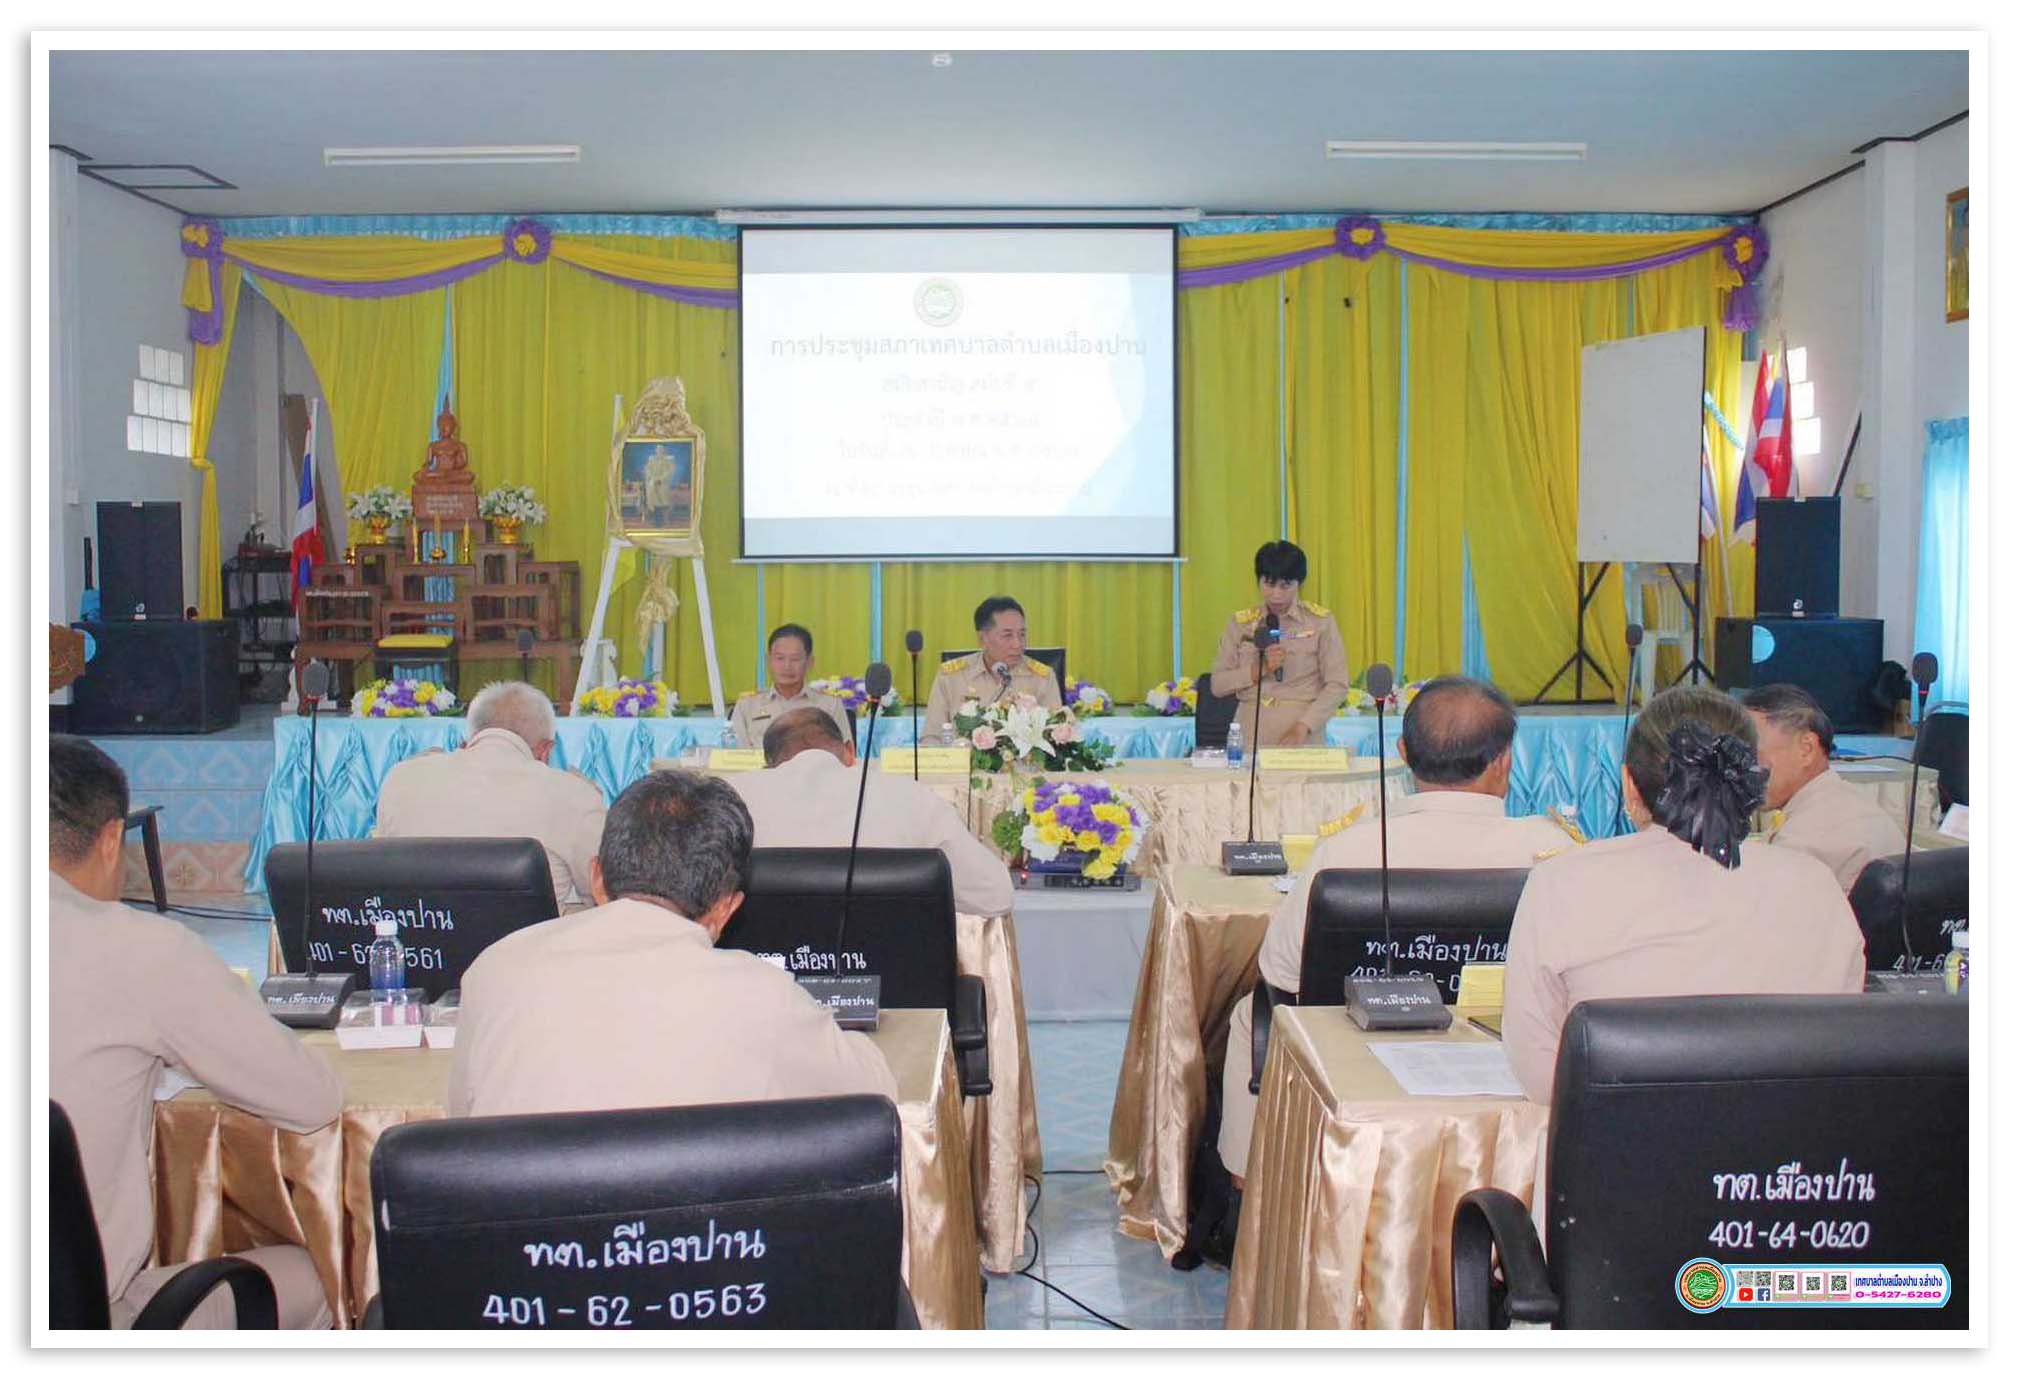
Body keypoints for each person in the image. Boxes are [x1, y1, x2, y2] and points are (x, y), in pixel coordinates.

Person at [1218, 677, 1576, 1180]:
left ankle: (1255, 1182)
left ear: (1403, 753)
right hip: (1517, 1061)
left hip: (1357, 1062)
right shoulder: (1555, 852)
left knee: (1250, 1016)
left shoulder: (1345, 851)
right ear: (1505, 760)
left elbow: (1280, 973)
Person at [48, 737, 343, 1329]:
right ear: (111, 839)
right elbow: (311, 1099)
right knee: (317, 1279)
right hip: (68, 1327)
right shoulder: (135, 947)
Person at [448, 769, 897, 1117]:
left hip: (526, 1215)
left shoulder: (496, 969)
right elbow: (878, 1095)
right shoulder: (763, 995)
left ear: (597, 878)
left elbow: (462, 1116)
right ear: (726, 908)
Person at [1502, 686, 1867, 1105]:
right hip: (1788, 1139)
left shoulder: (1561, 883)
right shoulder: (1815, 883)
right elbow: (1842, 1041)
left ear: (1630, 787)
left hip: (1621, 1139)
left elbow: (1539, 1072)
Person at [733, 708, 1014, 917]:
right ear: (850, 751)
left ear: (767, 764)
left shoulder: (731, 797)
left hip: (762, 973)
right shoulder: (910, 795)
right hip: (893, 976)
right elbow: (994, 894)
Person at [373, 681, 606, 911]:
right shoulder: (574, 793)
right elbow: (604, 892)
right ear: (546, 750)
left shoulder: (401, 778)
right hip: (533, 935)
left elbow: (382, 880)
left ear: (468, 742)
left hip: (424, 930)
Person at [1743, 683, 1908, 891]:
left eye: (1751, 753)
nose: (1742, 767)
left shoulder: (1802, 843)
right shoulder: (1847, 801)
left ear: (1806, 750)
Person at [1209, 541, 1351, 747]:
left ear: (1299, 583)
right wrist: (1260, 669)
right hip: (1251, 734)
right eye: (1269, 584)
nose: (1276, 594)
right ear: (1258, 581)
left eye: (1285, 586)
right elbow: (1218, 685)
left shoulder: (1320, 622)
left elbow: (1337, 685)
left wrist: (1304, 725)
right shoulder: (1240, 624)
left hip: (1301, 736)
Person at [924, 596, 1063, 735]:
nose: (1018, 644)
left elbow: (1056, 735)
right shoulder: (951, 677)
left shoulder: (1042, 678)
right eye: (1007, 635)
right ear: (982, 638)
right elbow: (932, 737)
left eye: (1022, 634)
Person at [728, 623, 852, 748]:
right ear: (768, 661)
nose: (787, 666)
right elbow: (735, 755)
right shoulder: (747, 706)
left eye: (795, 659)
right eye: (780, 658)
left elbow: (844, 753)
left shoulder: (830, 705)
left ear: (810, 662)